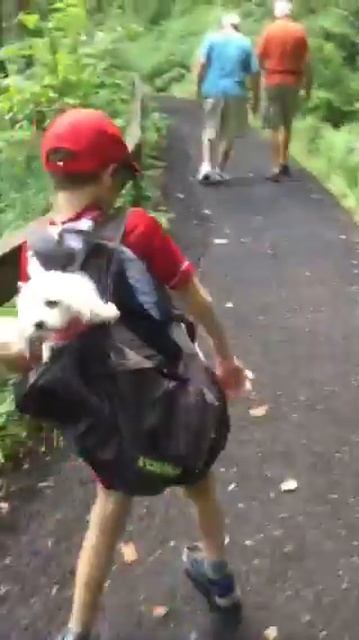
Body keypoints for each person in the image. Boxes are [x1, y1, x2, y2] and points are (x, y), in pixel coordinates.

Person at [5, 108, 250, 640]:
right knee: (198, 478)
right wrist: (224, 355)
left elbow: (42, 340)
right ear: (110, 176)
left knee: (110, 501)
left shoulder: (34, 249)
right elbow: (194, 298)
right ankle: (218, 575)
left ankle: (78, 628)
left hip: (104, 411)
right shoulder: (135, 228)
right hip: (163, 393)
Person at [195, 12, 260, 183]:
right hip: (236, 92)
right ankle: (218, 170)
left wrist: (199, 85)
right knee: (228, 134)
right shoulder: (245, 42)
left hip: (213, 89)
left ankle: (206, 165)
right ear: (238, 26)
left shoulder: (212, 39)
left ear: (223, 25)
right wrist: (256, 97)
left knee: (210, 128)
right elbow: (254, 72)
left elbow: (202, 64)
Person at [257, 0, 312, 181]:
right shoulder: (300, 31)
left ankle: (275, 166)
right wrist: (307, 86)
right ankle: (284, 160)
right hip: (293, 80)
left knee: (274, 125)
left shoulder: (269, 30)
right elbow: (306, 62)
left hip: (272, 79)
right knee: (287, 124)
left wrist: (261, 76)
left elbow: (259, 56)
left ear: (276, 12)